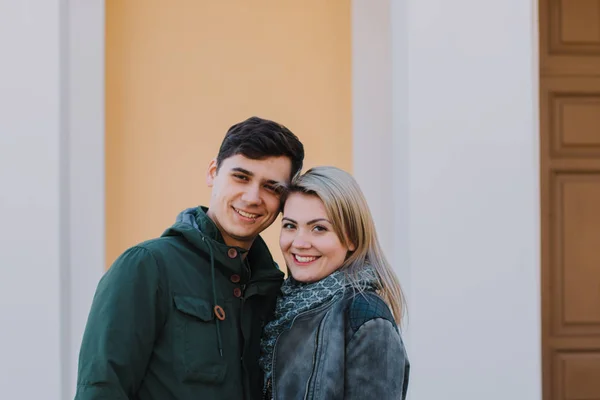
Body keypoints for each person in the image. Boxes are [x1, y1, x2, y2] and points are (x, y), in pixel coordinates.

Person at [75, 116, 304, 400]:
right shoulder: (146, 267)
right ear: (212, 172)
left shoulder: (275, 290)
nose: (252, 197)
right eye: (241, 177)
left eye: (272, 187)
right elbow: (101, 390)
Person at [259, 166, 410, 400]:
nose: (299, 242)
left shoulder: (366, 319)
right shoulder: (277, 307)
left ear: (351, 238)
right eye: (290, 225)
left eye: (319, 228)